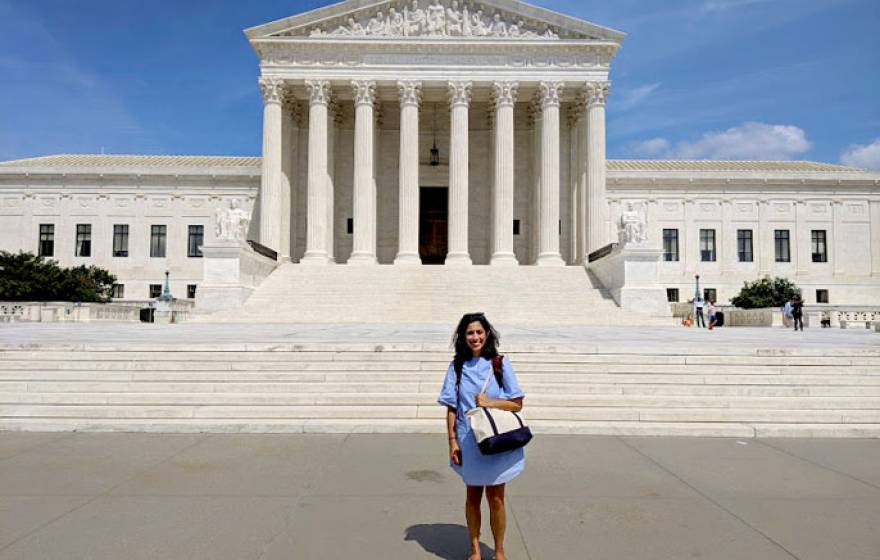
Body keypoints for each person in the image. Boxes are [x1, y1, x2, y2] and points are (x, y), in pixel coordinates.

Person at [437, 312, 525, 560]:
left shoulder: (499, 363)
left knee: (496, 498)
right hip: (468, 440)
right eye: (469, 333)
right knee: (472, 496)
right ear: (463, 337)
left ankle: (499, 551)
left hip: (494, 439)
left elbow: (517, 403)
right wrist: (452, 441)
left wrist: (491, 402)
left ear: (487, 334)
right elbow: (451, 407)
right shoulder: (457, 365)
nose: (474, 337)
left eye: (478, 332)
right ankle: (474, 549)